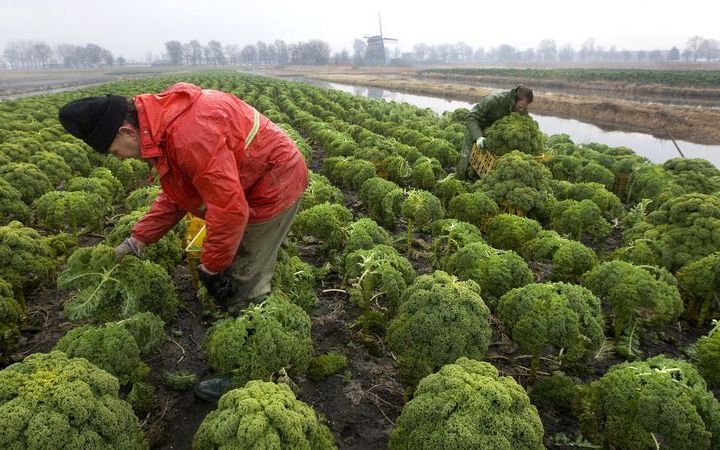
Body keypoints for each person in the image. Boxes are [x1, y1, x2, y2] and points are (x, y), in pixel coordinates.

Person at [59, 83, 309, 399]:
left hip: (272, 185)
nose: (119, 159)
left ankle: (252, 369)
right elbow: (179, 194)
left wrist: (213, 268)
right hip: (247, 182)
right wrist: (137, 240)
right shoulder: (159, 125)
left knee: (245, 277)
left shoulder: (189, 135)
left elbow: (230, 210)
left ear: (126, 131)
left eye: (114, 151)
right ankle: (245, 325)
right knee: (230, 264)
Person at [456, 84, 534, 180]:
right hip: (477, 127)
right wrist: (478, 137)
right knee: (467, 156)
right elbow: (470, 118)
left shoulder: (521, 106)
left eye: (524, 107)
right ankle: (459, 178)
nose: (522, 110)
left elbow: (526, 121)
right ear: (515, 100)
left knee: (488, 161)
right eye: (520, 107)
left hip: (494, 132)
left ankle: (477, 180)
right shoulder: (493, 100)